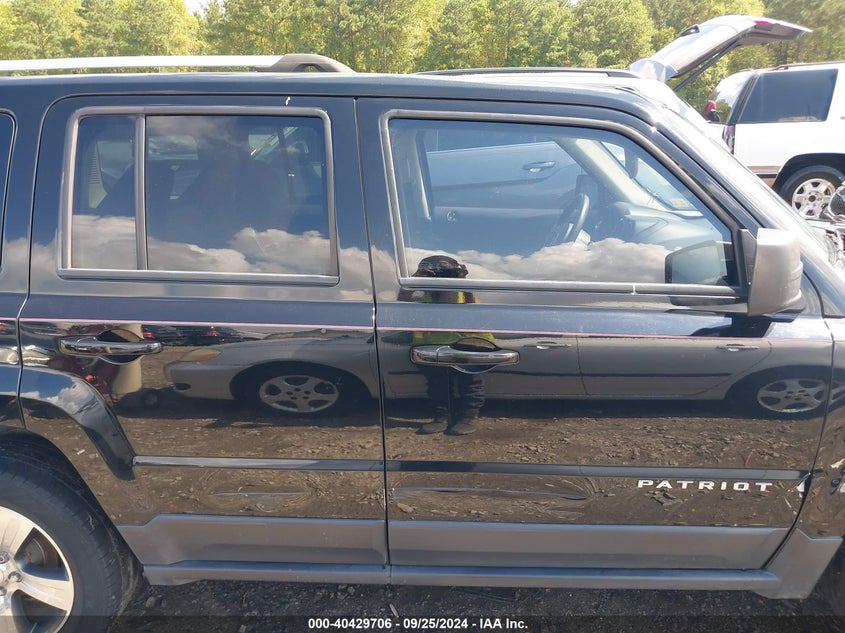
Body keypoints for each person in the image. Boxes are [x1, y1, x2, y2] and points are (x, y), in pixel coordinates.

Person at [399, 255, 492, 435]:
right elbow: (401, 304)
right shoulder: (423, 292)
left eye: (445, 267)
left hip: (467, 343)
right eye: (434, 268)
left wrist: (461, 281)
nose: (440, 271)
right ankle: (442, 417)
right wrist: (415, 279)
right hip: (432, 345)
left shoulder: (463, 291)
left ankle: (468, 417)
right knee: (438, 384)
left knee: (470, 382)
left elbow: (473, 308)